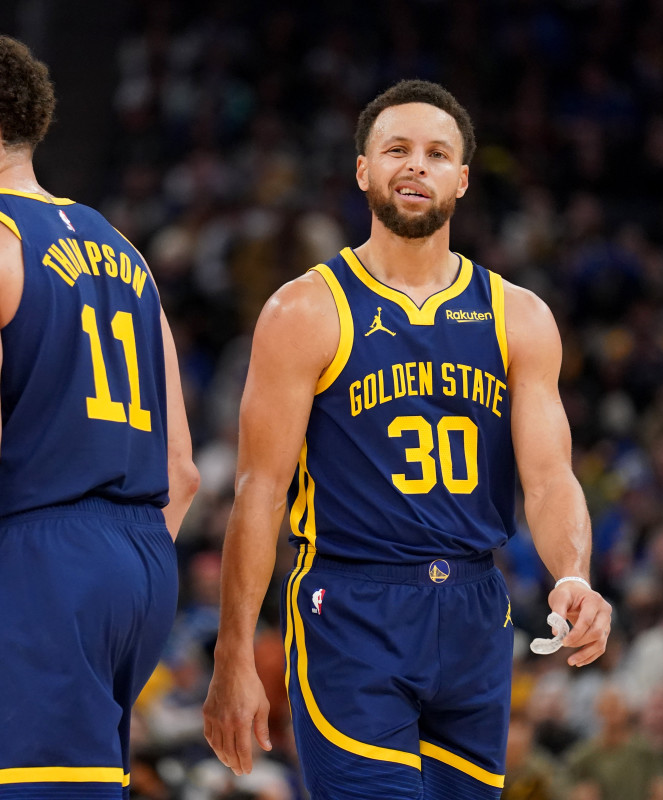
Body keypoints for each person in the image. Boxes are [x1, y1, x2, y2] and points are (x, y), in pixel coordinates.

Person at [202, 79, 612, 800]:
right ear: (363, 170)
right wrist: (234, 653)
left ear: (461, 178)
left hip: (476, 608)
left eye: (436, 153)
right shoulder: (304, 309)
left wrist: (572, 574)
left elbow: (549, 480)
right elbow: (259, 492)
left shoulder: (519, 316)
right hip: (352, 606)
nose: (415, 166)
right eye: (397, 150)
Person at [0, 26, 199, 798]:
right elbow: (183, 471)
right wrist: (114, 563)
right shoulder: (126, 250)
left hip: (42, 562)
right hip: (144, 567)